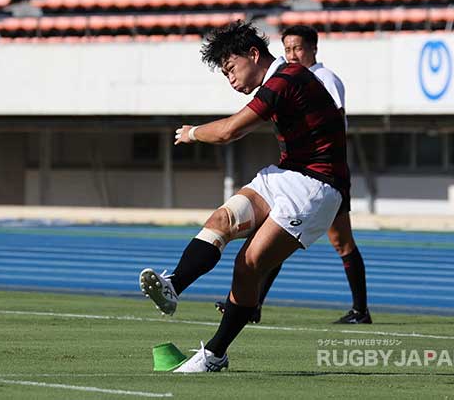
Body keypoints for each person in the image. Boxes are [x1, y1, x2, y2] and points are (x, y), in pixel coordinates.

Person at [139, 21, 350, 372]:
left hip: (317, 186)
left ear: (254, 54)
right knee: (221, 220)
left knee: (248, 264)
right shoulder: (281, 80)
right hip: (286, 174)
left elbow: (230, 131)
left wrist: (192, 133)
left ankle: (214, 355)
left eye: (231, 69)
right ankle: (173, 285)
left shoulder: (287, 78)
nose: (231, 79)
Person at [214, 25, 370, 325]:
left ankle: (361, 309)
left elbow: (332, 123)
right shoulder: (284, 78)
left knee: (341, 241)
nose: (292, 54)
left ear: (313, 48)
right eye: (287, 49)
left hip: (325, 172)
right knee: (277, 235)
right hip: (302, 173)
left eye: (297, 48)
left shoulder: (324, 79)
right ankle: (255, 302)